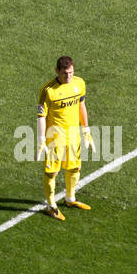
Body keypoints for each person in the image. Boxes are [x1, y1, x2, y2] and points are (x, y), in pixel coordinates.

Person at [35, 55, 94, 220]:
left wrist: (86, 129)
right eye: (65, 73)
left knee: (74, 168)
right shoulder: (48, 91)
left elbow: (81, 105)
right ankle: (51, 205)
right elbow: (40, 116)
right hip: (55, 137)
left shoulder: (79, 83)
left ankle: (70, 199)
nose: (68, 76)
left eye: (71, 72)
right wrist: (40, 140)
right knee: (52, 172)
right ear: (57, 71)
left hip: (73, 135)